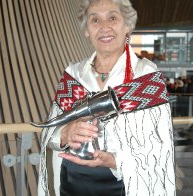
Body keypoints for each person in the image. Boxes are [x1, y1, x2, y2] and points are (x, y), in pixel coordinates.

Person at [37, 0, 176, 195]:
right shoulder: (74, 74)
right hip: (71, 182)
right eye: (95, 20)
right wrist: (64, 134)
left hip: (124, 185)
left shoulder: (146, 76)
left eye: (112, 17)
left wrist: (114, 160)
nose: (104, 27)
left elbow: (161, 148)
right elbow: (48, 133)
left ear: (127, 25)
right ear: (87, 29)